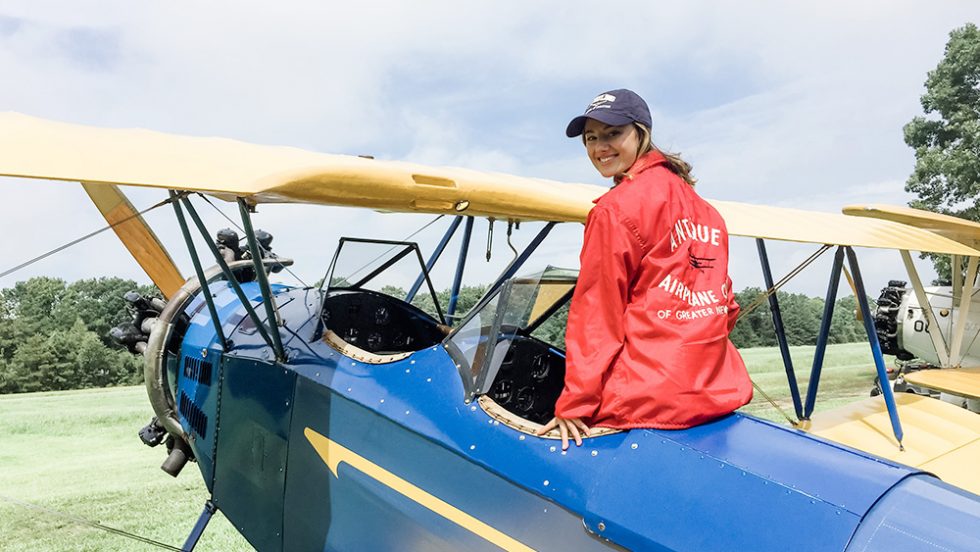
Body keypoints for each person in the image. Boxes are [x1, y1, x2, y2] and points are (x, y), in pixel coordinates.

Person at [537, 89, 753, 450]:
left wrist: (575, 402)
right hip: (714, 393)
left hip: (646, 399)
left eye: (612, 133)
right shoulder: (707, 212)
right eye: (591, 138)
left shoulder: (613, 210)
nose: (599, 147)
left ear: (642, 133)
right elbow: (725, 304)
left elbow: (597, 316)